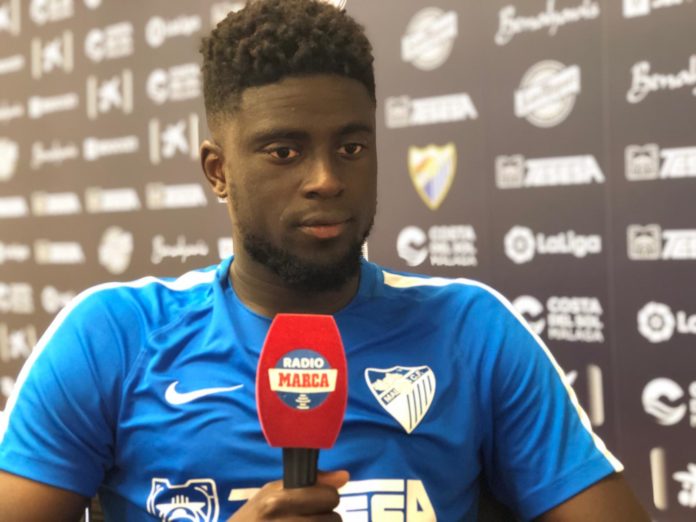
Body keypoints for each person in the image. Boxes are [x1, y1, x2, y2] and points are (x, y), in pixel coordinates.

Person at [0, 1, 650, 520]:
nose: (326, 179)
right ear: (218, 171)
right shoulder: (113, 336)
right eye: (284, 152)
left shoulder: (472, 330)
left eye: (351, 148)